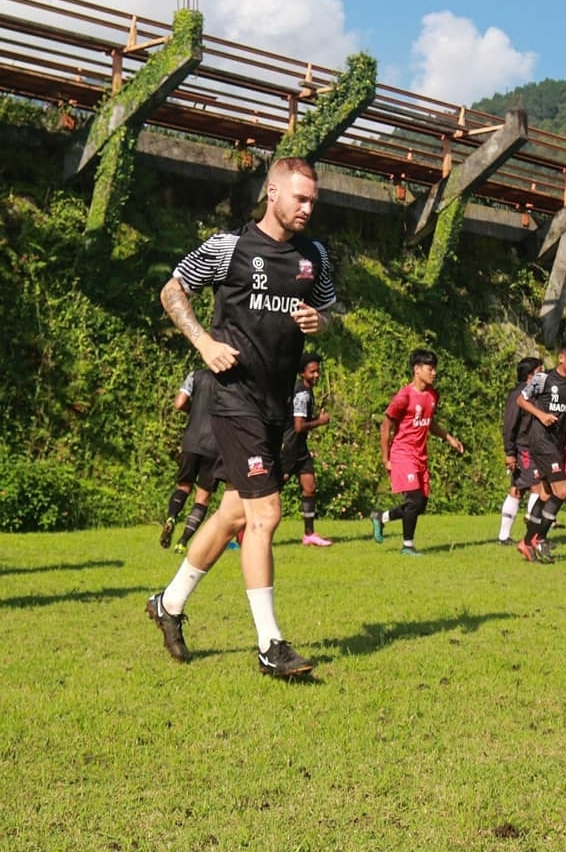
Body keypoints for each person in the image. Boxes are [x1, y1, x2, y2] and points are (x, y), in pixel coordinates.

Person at [146, 156, 335, 678]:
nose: (308, 207)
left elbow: (330, 311)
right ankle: (270, 645)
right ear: (272, 193)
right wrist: (204, 341)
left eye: (313, 199)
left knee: (233, 511)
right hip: (231, 399)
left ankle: (169, 604)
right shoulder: (228, 248)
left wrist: (322, 321)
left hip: (276, 404)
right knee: (266, 516)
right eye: (300, 197)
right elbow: (172, 290)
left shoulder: (314, 256)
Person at [370, 349, 464, 555]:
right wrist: (386, 459)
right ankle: (407, 546)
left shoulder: (432, 395)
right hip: (402, 454)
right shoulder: (403, 396)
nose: (434, 373)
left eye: (434, 369)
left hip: (421, 455)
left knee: (420, 504)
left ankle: (381, 518)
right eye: (430, 369)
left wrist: (449, 438)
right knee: (413, 500)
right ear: (417, 369)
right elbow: (385, 426)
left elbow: (430, 422)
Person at [514, 338, 566, 564]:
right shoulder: (543, 379)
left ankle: (526, 542)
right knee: (562, 491)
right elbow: (521, 400)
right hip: (541, 440)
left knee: (546, 493)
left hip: (558, 443)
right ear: (562, 357)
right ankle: (541, 538)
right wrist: (541, 415)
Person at [162, 368, 221, 555]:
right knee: (202, 498)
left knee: (183, 486)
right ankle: (183, 542)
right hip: (214, 445)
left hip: (190, 441)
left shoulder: (195, 375)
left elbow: (179, 403)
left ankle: (172, 517)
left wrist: (193, 411)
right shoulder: (232, 382)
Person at [280, 351, 333, 547]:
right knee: (270, 491)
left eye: (318, 371)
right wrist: (320, 421)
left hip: (300, 449)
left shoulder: (306, 390)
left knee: (310, 487)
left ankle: (309, 534)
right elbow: (299, 426)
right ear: (303, 373)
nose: (316, 375)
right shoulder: (301, 393)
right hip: (289, 448)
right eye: (312, 372)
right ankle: (242, 531)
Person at [497, 356, 544, 546]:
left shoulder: (534, 395)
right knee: (537, 487)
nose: (543, 376)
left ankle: (504, 537)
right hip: (524, 448)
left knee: (517, 490)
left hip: (532, 447)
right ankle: (533, 537)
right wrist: (510, 452)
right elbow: (509, 424)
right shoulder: (518, 395)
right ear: (529, 376)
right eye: (539, 373)